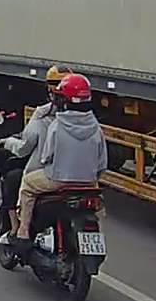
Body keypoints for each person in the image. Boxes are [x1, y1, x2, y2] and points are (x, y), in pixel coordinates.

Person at [13, 73, 108, 252]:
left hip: (58, 180)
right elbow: (102, 163)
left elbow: (46, 157)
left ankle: (23, 231)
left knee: (27, 185)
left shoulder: (57, 125)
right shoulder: (96, 128)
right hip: (88, 183)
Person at [0, 66, 71, 240]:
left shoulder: (46, 118)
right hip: (87, 181)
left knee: (17, 181)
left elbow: (32, 151)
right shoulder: (90, 123)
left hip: (54, 175)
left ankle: (20, 230)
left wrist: (7, 143)